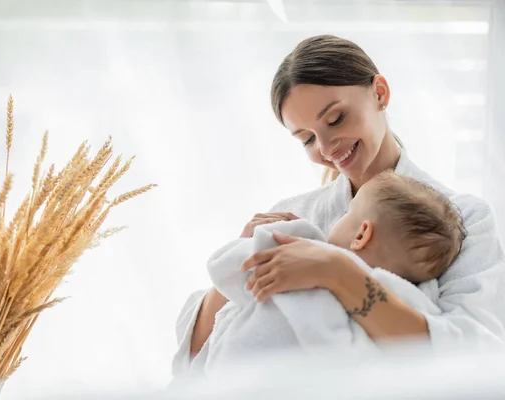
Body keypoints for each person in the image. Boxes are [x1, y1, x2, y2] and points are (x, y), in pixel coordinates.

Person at [173, 34, 505, 375]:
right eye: (307, 139)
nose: (327, 147)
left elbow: (472, 354)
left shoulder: (464, 220)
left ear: (380, 93)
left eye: (335, 120)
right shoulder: (293, 214)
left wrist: (337, 271)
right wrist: (242, 255)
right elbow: (195, 357)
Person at [182, 171, 465, 374]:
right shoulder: (406, 297)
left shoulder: (302, 240)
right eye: (306, 138)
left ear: (362, 233)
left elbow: (225, 267)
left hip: (244, 370)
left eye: (347, 213)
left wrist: (251, 241)